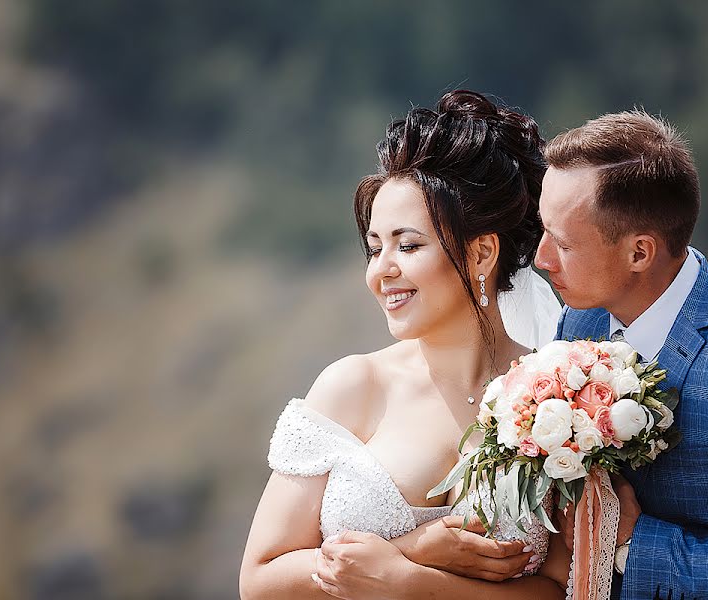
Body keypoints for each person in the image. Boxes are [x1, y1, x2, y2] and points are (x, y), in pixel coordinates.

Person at [240, 90, 570, 599]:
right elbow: (260, 580)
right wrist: (414, 548)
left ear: (482, 251)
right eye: (374, 249)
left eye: (408, 245)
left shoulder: (559, 399)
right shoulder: (354, 385)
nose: (380, 272)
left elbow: (559, 589)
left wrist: (408, 580)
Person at [535, 110, 708, 599]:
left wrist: (634, 545)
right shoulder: (581, 319)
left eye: (562, 242)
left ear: (640, 253)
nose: (541, 258)